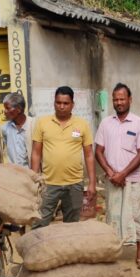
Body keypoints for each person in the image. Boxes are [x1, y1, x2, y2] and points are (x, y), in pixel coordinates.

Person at [95, 83, 140, 269]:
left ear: (130, 100)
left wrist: (123, 174)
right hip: (112, 180)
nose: (118, 102)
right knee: (112, 214)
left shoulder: (139, 123)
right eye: (115, 99)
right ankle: (112, 251)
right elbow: (98, 151)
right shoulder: (105, 123)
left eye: (122, 99)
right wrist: (112, 173)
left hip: (132, 180)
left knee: (136, 215)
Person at [30, 86, 96, 227]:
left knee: (71, 225)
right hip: (48, 183)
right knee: (39, 222)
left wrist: (92, 182)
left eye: (65, 103)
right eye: (58, 103)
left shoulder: (82, 124)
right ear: (54, 103)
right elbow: (36, 153)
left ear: (72, 104)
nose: (61, 106)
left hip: (74, 184)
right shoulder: (43, 123)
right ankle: (39, 249)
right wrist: (34, 179)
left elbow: (89, 155)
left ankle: (69, 249)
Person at [1, 92, 34, 167]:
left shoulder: (34, 125)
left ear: (19, 109)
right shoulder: (5, 128)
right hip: (14, 174)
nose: (5, 111)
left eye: (8, 108)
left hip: (32, 173)